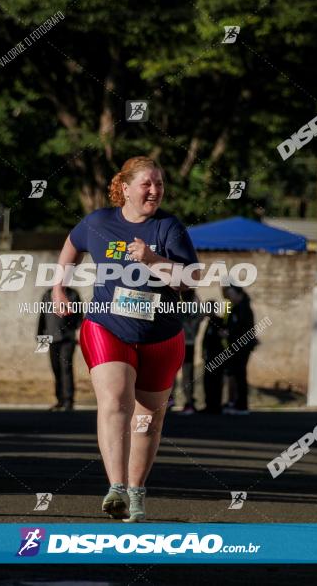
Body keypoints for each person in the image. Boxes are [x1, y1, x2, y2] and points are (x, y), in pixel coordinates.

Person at [51, 156, 199, 522]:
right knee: (116, 400)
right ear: (126, 188)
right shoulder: (98, 223)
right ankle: (115, 487)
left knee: (148, 419)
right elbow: (72, 246)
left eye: (160, 184)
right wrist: (59, 287)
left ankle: (135, 494)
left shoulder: (170, 228)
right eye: (147, 183)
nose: (155, 190)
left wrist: (151, 258)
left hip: (161, 334)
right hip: (107, 326)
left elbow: (189, 279)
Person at [37, 286, 83, 411]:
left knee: (66, 368)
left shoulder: (73, 294)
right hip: (51, 338)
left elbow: (80, 316)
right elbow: (43, 316)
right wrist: (40, 336)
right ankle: (60, 400)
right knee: (55, 368)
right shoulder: (47, 294)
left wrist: (79, 333)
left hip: (68, 338)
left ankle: (69, 400)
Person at [221, 285, 256, 416]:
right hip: (234, 346)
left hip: (242, 347)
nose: (230, 297)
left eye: (231, 294)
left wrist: (228, 334)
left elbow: (244, 330)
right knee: (236, 375)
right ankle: (236, 403)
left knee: (241, 375)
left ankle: (242, 405)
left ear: (239, 294)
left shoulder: (244, 309)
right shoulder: (234, 308)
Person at [173, 289, 203, 415]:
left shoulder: (178, 307)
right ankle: (188, 402)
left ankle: (184, 401)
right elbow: (201, 315)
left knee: (174, 372)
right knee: (186, 374)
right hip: (188, 343)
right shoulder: (195, 308)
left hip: (180, 342)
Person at [200, 300, 227, 414]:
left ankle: (216, 406)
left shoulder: (219, 322)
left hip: (217, 356)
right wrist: (203, 351)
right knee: (208, 381)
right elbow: (206, 340)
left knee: (216, 381)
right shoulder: (209, 322)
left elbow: (222, 339)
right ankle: (209, 405)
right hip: (209, 356)